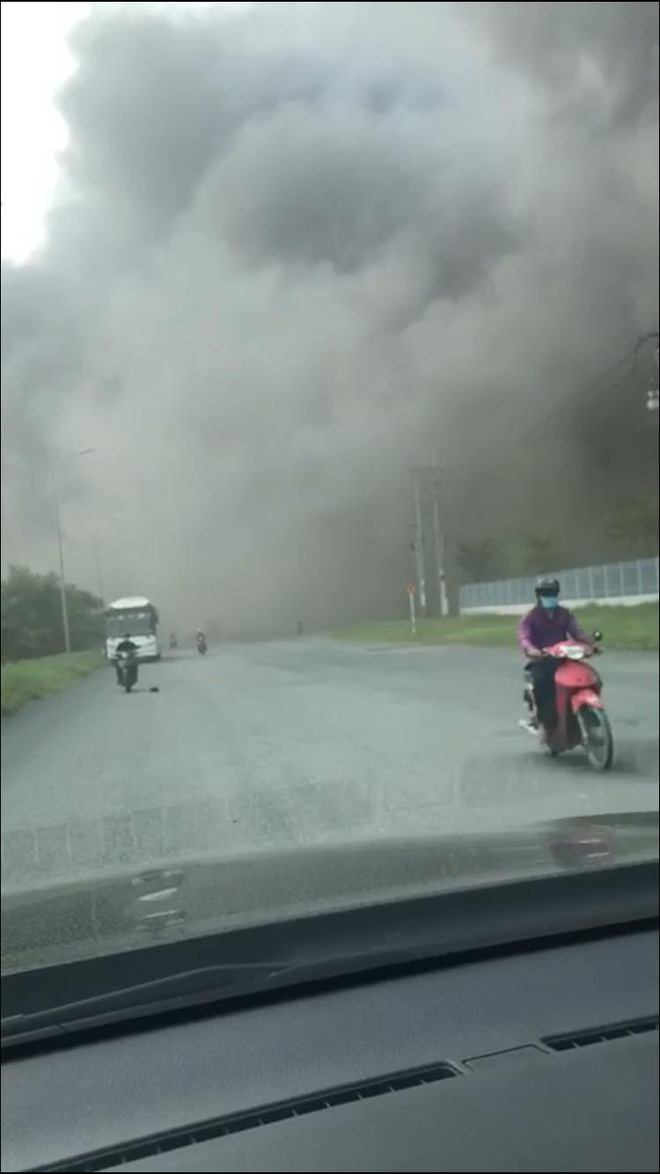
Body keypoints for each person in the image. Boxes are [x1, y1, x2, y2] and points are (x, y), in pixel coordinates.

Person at [517, 578, 592, 733]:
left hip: (564, 659)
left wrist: (591, 644)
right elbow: (525, 637)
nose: (549, 597)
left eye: (552, 593)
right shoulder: (530, 617)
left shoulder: (564, 614)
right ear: (539, 596)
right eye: (546, 594)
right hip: (542, 660)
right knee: (541, 684)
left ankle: (587, 711)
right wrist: (532, 649)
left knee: (588, 676)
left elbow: (577, 632)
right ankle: (542, 720)